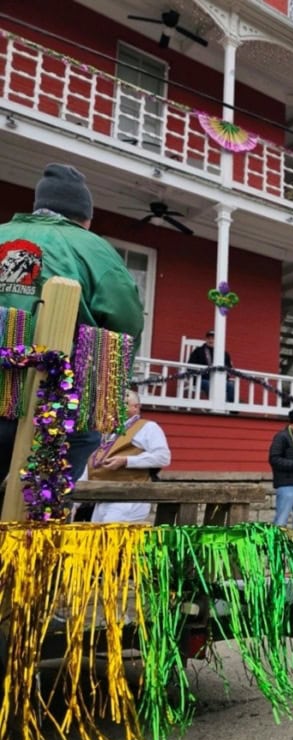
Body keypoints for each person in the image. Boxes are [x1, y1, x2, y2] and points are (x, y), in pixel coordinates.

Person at [0, 163, 144, 483]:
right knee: (41, 502)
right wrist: (108, 387)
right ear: (85, 217)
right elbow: (125, 321)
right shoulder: (92, 248)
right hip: (56, 401)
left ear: (38, 206)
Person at [81, 391, 170, 523]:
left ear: (136, 407)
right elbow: (93, 464)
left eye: (124, 404)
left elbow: (163, 457)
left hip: (128, 497)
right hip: (103, 496)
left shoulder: (148, 427)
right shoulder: (110, 433)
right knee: (97, 539)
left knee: (110, 539)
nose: (117, 408)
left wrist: (126, 461)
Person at [186, 329, 235, 399]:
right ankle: (216, 407)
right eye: (209, 338)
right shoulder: (198, 351)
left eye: (213, 338)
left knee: (230, 386)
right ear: (206, 339)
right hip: (201, 378)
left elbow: (229, 369)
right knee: (209, 385)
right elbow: (190, 366)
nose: (211, 340)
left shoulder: (224, 353)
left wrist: (223, 377)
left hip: (218, 379)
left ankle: (231, 409)